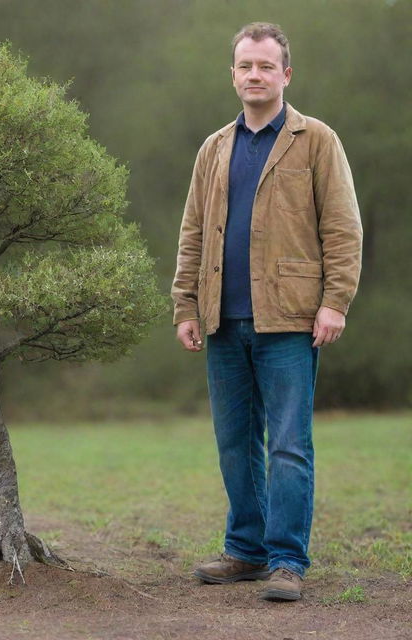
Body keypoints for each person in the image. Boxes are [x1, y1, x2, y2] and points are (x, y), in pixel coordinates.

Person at [171, 22, 362, 601]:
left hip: (291, 320)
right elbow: (193, 232)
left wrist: (335, 301)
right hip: (222, 319)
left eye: (265, 66)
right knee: (234, 441)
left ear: (286, 74)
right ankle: (247, 551)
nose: (255, 75)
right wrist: (185, 303)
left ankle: (286, 561)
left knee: (287, 444)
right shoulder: (214, 148)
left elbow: (343, 228)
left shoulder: (317, 140)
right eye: (245, 66)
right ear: (233, 74)